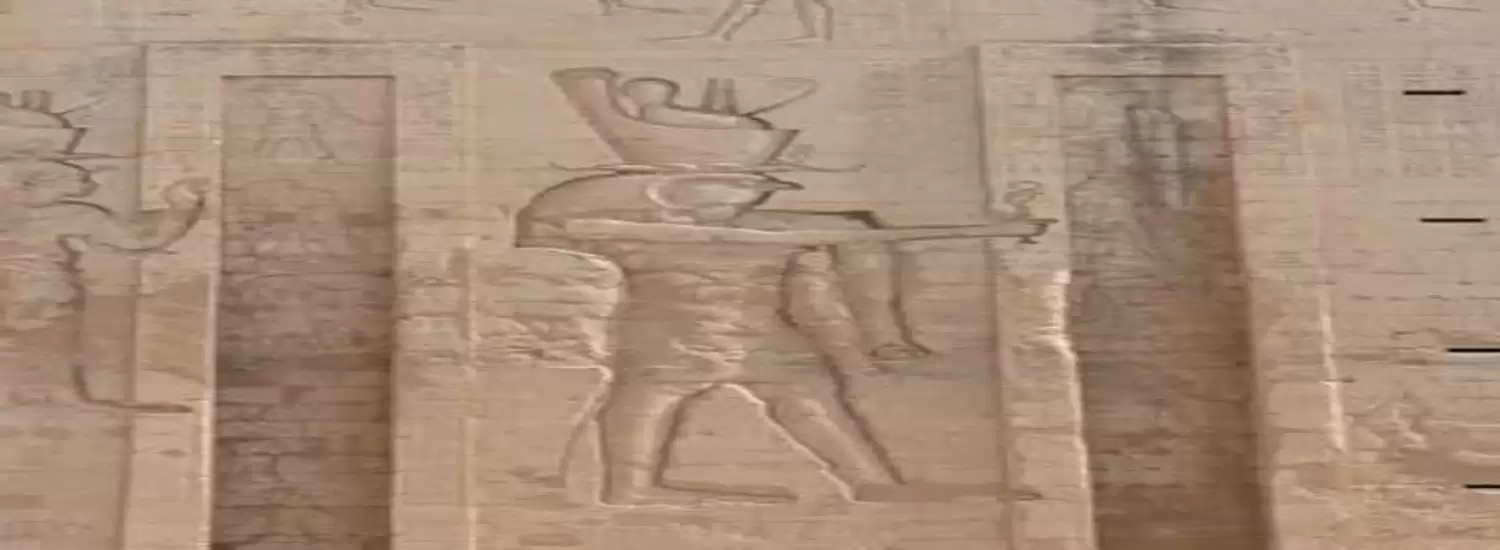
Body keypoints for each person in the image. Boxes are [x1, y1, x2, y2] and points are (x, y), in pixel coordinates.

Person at [518, 172, 1047, 504]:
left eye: (746, 192)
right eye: (724, 190)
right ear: (672, 194)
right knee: (642, 405)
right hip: (671, 339)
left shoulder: (777, 230)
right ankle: (631, 488)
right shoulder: (629, 233)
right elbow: (537, 228)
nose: (740, 199)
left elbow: (865, 236)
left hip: (760, 338)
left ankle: (872, 482)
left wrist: (1004, 230)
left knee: (810, 396)